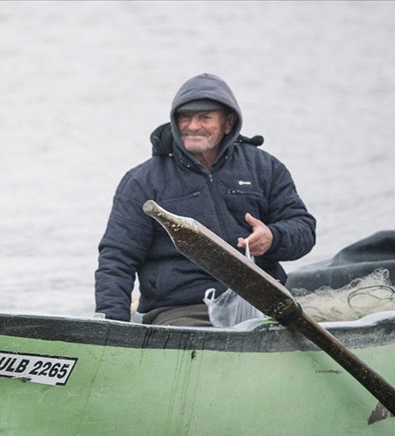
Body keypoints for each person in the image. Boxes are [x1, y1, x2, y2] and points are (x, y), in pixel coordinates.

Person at [95, 73, 316, 326]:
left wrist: (272, 238)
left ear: (228, 123)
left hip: (264, 305)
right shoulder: (142, 181)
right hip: (181, 311)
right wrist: (110, 327)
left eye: (204, 117)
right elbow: (117, 259)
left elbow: (304, 229)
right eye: (185, 117)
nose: (192, 126)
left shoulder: (264, 168)